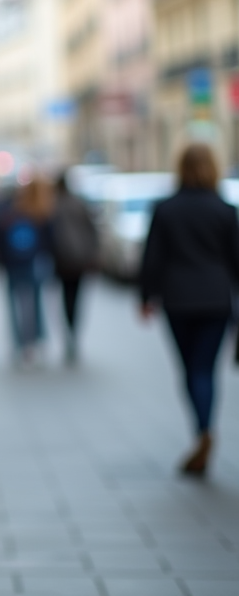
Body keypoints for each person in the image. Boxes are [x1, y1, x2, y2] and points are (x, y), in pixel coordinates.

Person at [139, 143, 239, 477]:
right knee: (205, 369)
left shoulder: (166, 209)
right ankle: (205, 430)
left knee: (188, 370)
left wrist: (145, 297)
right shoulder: (225, 210)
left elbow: (152, 258)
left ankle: (202, 431)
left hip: (178, 299)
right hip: (216, 299)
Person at [0, 179, 54, 364]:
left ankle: (20, 344)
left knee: (15, 304)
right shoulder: (41, 210)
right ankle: (36, 340)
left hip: (13, 264)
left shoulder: (9, 211)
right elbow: (50, 240)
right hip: (34, 262)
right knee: (34, 303)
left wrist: (1, 263)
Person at [50, 172, 99, 364]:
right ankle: (73, 331)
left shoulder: (53, 205)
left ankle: (69, 332)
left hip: (62, 260)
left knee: (66, 297)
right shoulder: (79, 203)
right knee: (75, 298)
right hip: (79, 260)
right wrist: (92, 253)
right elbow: (92, 230)